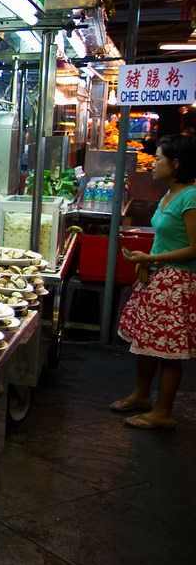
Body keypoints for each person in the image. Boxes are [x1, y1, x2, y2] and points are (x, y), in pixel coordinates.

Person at [115, 134, 196, 429]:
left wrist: (148, 260)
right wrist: (149, 261)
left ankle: (163, 413)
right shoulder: (169, 194)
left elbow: (194, 249)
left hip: (177, 283)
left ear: (175, 164)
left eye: (158, 158)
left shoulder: (191, 197)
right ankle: (141, 396)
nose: (153, 163)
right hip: (158, 277)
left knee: (169, 351)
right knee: (145, 342)